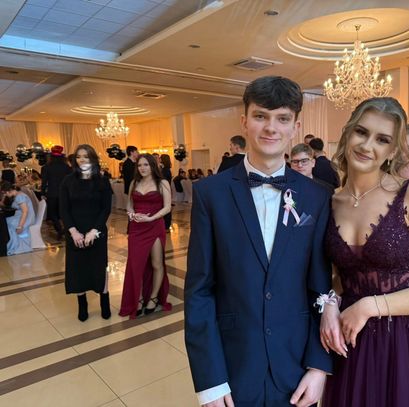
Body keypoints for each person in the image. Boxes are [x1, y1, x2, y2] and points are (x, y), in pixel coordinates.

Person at [185, 76, 332, 407]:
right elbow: (199, 292)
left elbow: (320, 289)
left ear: (295, 127)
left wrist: (319, 365)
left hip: (296, 367)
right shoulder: (210, 194)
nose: (271, 128)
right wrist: (210, 381)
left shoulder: (316, 196)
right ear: (244, 121)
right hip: (233, 367)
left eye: (282, 118)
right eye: (261, 116)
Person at [320, 97, 409, 407]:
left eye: (382, 139)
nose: (367, 146)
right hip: (353, 342)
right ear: (347, 133)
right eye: (362, 132)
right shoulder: (330, 201)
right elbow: (337, 278)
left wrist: (370, 306)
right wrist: (330, 302)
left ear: (392, 150)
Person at [59, 144, 112, 321]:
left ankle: (105, 301)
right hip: (74, 231)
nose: (82, 159)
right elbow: (64, 209)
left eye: (86, 156)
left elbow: (105, 209)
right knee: (77, 269)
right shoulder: (67, 181)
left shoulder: (102, 181)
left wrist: (94, 231)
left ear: (93, 159)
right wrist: (73, 231)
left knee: (99, 266)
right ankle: (82, 305)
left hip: (97, 230)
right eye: (79, 156)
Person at [119, 154, 172, 319]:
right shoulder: (134, 183)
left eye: (146, 165)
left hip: (155, 226)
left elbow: (167, 207)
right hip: (136, 228)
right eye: (140, 165)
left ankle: (154, 297)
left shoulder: (162, 183)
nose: (142, 168)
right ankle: (139, 298)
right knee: (137, 265)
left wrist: (151, 218)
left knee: (156, 263)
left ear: (152, 166)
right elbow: (129, 204)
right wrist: (131, 214)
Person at [41, 145, 71, 240]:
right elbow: (70, 181)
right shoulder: (67, 167)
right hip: (65, 193)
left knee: (52, 213)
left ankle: (59, 229)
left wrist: (42, 193)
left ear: (51, 156)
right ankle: (65, 230)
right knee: (64, 213)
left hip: (52, 193)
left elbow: (44, 182)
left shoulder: (46, 167)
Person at [1, 182, 35, 255]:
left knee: (7, 224)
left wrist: (20, 226)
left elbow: (25, 212)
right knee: (5, 221)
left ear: (8, 191)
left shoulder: (19, 197)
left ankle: (14, 246)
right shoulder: (17, 194)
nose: (5, 195)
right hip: (20, 215)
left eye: (5, 193)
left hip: (26, 217)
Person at [160, 153, 173, 232]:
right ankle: (166, 225)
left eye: (160, 158)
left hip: (165, 190)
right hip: (166, 190)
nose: (159, 159)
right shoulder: (166, 169)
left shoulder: (165, 170)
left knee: (166, 208)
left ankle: (166, 226)